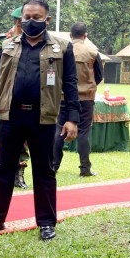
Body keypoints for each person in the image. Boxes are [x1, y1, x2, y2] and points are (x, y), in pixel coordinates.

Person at [0, 0, 80, 241]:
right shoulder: (8, 46)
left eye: (36, 18)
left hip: (43, 117)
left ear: (47, 20)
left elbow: (71, 84)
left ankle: (46, 222)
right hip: (11, 116)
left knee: (44, 170)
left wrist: (72, 118)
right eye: (27, 17)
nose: (31, 22)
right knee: (3, 167)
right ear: (21, 18)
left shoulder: (62, 47)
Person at [0, 6, 31, 190]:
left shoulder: (34, 44)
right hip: (4, 101)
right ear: (16, 24)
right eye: (20, 23)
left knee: (23, 141)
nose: (22, 27)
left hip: (25, 101)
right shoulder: (2, 44)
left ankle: (19, 175)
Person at [53, 22, 103, 176]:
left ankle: (53, 166)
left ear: (70, 35)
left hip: (63, 97)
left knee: (59, 131)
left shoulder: (61, 50)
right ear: (85, 35)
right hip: (85, 97)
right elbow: (99, 76)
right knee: (83, 133)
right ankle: (85, 168)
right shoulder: (93, 52)